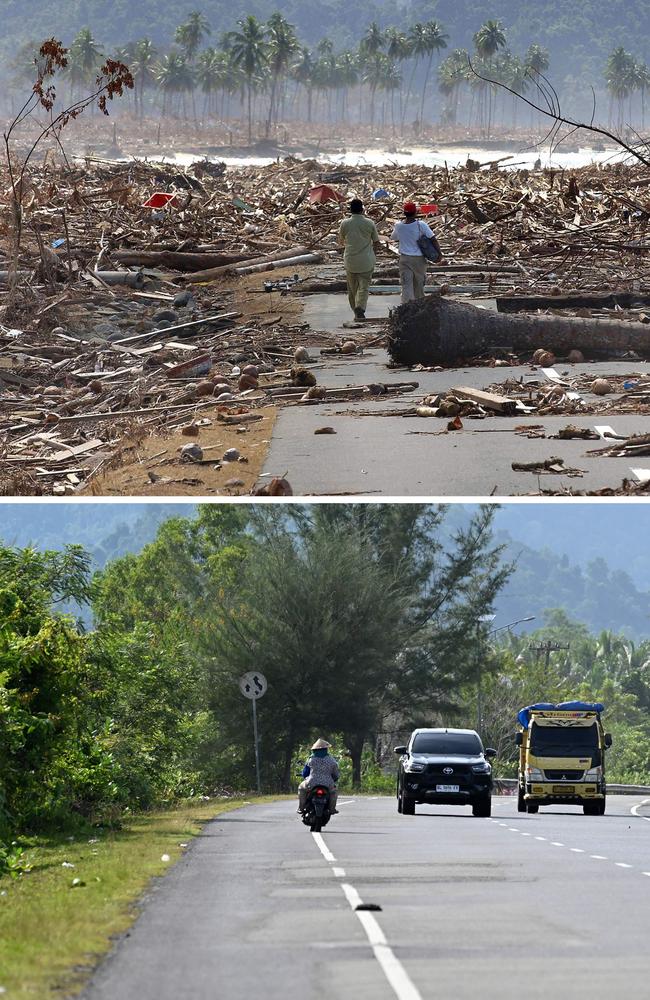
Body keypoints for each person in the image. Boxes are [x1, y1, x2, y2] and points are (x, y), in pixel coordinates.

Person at [338, 198, 381, 320]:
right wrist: (374, 254)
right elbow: (376, 242)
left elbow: (341, 240)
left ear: (350, 210)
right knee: (364, 287)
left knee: (352, 289)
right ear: (362, 210)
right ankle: (360, 307)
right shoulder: (369, 223)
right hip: (366, 260)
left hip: (350, 260)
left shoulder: (344, 223)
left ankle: (355, 310)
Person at [391, 201, 439, 304]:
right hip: (418, 259)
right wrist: (439, 254)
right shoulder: (421, 225)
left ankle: (406, 307)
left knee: (406, 285)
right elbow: (433, 239)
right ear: (415, 213)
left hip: (404, 259)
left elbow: (393, 237)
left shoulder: (399, 226)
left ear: (404, 213)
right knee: (418, 284)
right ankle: (419, 306)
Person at [298, 738, 340, 814]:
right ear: (326, 749)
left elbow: (305, 773)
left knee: (301, 788)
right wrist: (334, 779)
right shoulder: (332, 760)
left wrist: (305, 776)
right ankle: (332, 809)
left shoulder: (311, 759)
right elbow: (336, 774)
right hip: (328, 784)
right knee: (334, 792)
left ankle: (301, 808)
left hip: (311, 783)